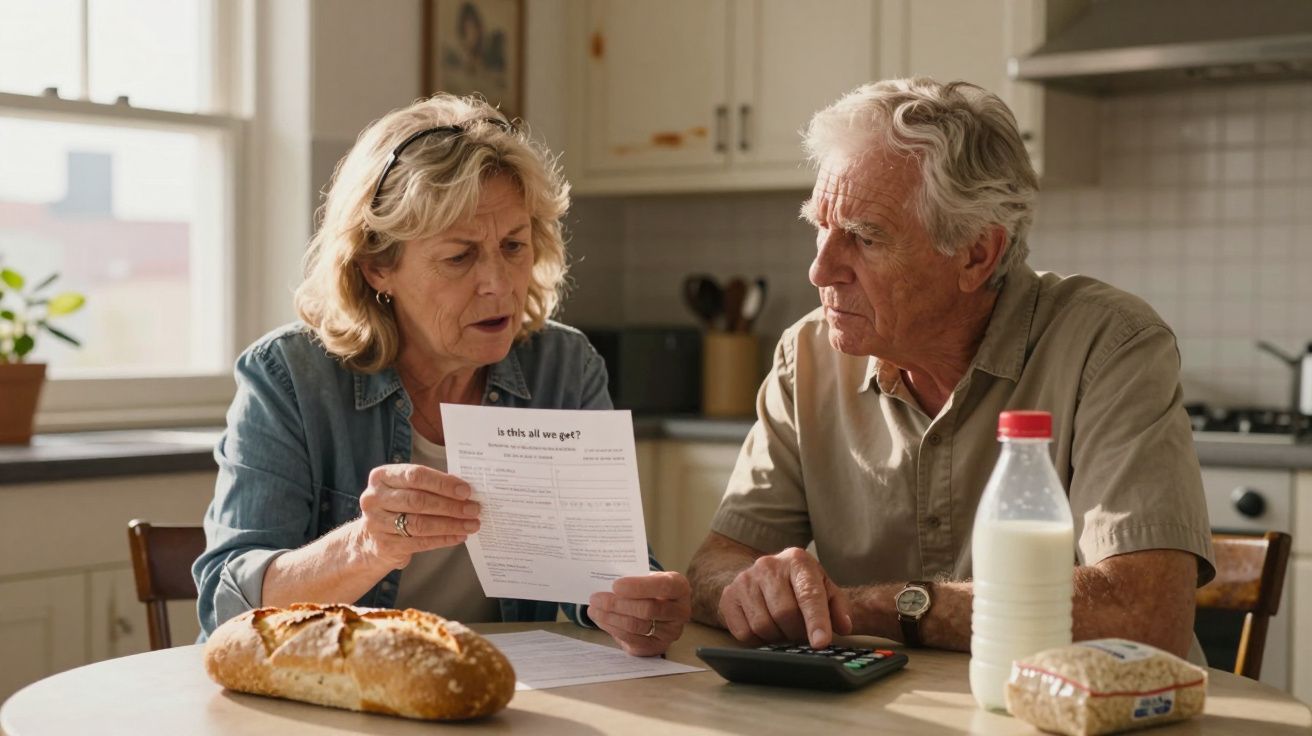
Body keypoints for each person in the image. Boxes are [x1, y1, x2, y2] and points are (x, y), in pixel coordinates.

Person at [685, 78, 1214, 663]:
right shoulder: (806, 354)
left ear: (975, 255)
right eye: (820, 225)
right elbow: (714, 565)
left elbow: (1142, 614)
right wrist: (753, 590)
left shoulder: (1109, 345)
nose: (820, 270)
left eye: (862, 237)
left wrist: (874, 607)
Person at [194, 94, 690, 657]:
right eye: (460, 257)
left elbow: (604, 574)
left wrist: (635, 604)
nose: (499, 284)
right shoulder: (287, 376)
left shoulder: (564, 368)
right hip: (331, 696)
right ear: (378, 266)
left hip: (496, 695)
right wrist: (368, 545)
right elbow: (227, 607)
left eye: (513, 246)